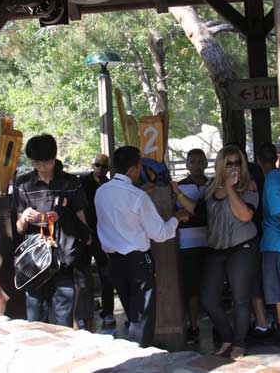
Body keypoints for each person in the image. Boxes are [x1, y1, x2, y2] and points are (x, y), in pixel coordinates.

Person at [95, 146, 189, 347]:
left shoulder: (101, 192)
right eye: (139, 166)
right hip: (138, 261)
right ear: (133, 169)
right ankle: (140, 358)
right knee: (142, 317)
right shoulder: (138, 197)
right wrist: (176, 218)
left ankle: (135, 352)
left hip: (114, 261)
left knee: (131, 311)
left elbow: (120, 209)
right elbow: (160, 234)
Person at [174, 145, 259, 359]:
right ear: (221, 165)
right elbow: (199, 212)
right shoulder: (212, 187)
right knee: (208, 299)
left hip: (242, 247)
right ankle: (228, 337)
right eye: (228, 163)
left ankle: (239, 343)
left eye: (237, 162)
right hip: (217, 249)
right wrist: (176, 192)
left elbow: (245, 216)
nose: (233, 166)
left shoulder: (249, 186)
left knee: (240, 298)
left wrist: (231, 188)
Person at [13, 134, 89, 327]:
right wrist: (24, 217)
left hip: (64, 257)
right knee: (35, 316)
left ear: (54, 158)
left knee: (63, 318)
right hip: (35, 261)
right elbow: (20, 228)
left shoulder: (71, 183)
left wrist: (62, 216)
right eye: (36, 162)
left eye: (44, 162)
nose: (40, 167)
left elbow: (82, 222)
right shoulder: (23, 184)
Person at [256, 142, 280, 344]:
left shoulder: (271, 180)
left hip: (276, 241)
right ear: (276, 157)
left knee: (278, 288)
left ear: (258, 160)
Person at [175, 148, 209, 344]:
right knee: (192, 288)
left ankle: (215, 325)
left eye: (200, 161)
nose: (196, 165)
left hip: (212, 242)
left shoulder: (213, 185)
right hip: (187, 244)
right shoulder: (179, 187)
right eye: (192, 161)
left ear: (206, 163)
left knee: (212, 286)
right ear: (187, 165)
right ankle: (194, 325)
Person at [79, 154, 117, 329]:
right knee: (83, 275)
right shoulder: (82, 183)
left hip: (105, 235)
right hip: (86, 235)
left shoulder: (111, 185)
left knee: (107, 275)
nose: (100, 168)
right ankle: (83, 313)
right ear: (92, 166)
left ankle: (107, 312)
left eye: (104, 166)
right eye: (97, 165)